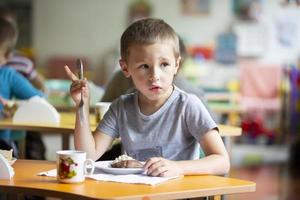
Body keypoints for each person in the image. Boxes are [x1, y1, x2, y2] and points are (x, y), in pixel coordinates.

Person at [65, 18, 229, 177]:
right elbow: (87, 156)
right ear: (125, 68)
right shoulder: (121, 107)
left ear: (176, 65)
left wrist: (178, 167)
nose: (155, 76)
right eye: (144, 66)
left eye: (164, 64)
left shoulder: (188, 105)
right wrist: (82, 106)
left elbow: (222, 162)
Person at [0, 6, 46, 160]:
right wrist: (15, 107)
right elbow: (39, 99)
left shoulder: (8, 75)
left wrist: (14, 107)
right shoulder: (8, 75)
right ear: (7, 56)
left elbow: (38, 99)